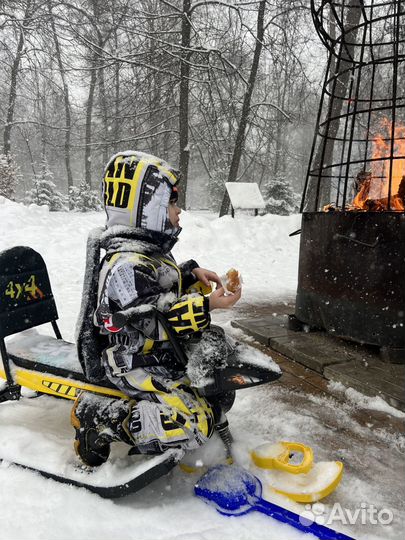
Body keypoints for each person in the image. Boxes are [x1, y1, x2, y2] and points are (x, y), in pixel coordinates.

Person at [72, 150, 241, 466]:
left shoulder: (148, 253)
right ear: (145, 210)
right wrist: (206, 305)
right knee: (194, 424)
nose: (180, 212)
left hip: (160, 355)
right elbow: (153, 320)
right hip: (131, 362)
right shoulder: (125, 264)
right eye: (172, 204)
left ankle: (189, 410)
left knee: (218, 386)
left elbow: (162, 290)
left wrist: (191, 276)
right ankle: (101, 420)